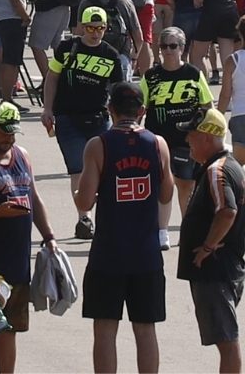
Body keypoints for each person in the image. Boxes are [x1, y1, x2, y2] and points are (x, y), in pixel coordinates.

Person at [74, 83, 174, 374]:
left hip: (109, 252)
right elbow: (166, 196)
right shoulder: (158, 144)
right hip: (146, 253)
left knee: (105, 329)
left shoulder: (98, 145)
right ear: (142, 111)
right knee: (146, 329)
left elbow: (85, 201)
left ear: (110, 110)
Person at [0, 101, 59, 374]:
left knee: (10, 328)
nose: (9, 138)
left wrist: (49, 236)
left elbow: (34, 197)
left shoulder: (22, 155)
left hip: (18, 261)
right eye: (3, 132)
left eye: (13, 133)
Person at [42, 6, 126, 241]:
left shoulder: (110, 55)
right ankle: (84, 218)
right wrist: (47, 109)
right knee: (78, 169)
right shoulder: (67, 49)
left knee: (104, 171)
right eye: (90, 27)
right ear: (81, 27)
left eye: (100, 28)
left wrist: (122, 121)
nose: (95, 33)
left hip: (98, 118)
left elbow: (118, 90)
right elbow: (52, 78)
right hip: (67, 118)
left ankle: (106, 218)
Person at [178, 107, 245, 373]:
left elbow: (227, 211)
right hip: (225, 266)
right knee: (224, 338)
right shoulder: (230, 166)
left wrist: (207, 247)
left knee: (226, 340)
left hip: (215, 270)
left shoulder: (216, 171)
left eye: (191, 135)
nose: (187, 142)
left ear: (206, 136)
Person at [142, 25, 214, 248]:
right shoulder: (151, 76)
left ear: (182, 48)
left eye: (173, 46)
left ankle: (188, 230)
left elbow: (207, 105)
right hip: (158, 139)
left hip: (187, 141)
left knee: (186, 185)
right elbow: (139, 108)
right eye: (164, 46)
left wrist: (205, 133)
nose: (168, 51)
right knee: (162, 185)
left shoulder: (193, 74)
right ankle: (162, 231)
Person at [219, 17, 245, 167]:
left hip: (240, 116)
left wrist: (218, 117)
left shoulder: (233, 60)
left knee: (238, 166)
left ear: (240, 35)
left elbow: (225, 95)